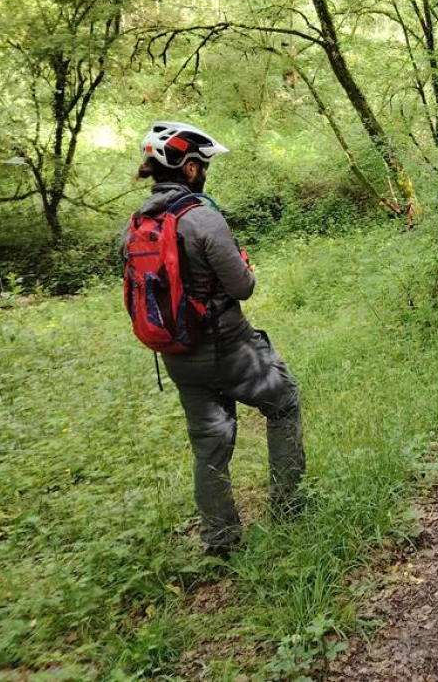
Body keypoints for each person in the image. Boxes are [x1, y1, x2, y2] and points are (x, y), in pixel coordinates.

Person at [123, 121, 305, 557]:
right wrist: (244, 265)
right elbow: (242, 287)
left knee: (209, 444)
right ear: (188, 169)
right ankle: (288, 507)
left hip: (176, 355)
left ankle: (221, 543)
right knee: (284, 403)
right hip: (230, 347)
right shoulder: (202, 218)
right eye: (202, 164)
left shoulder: (136, 224)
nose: (205, 171)